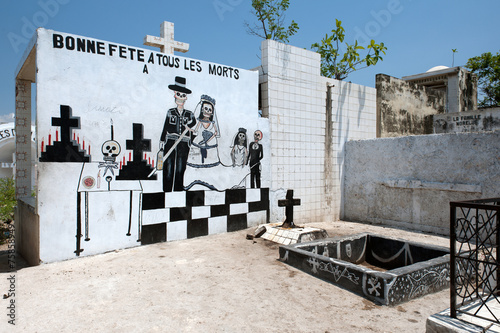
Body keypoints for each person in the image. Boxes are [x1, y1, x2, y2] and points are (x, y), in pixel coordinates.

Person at [159, 76, 196, 192]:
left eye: (183, 96)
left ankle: (178, 190)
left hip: (183, 143)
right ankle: (167, 190)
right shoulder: (170, 112)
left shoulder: (189, 114)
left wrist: (189, 126)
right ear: (175, 95)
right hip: (170, 141)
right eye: (179, 95)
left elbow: (194, 122)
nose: (181, 98)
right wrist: (162, 141)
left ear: (186, 98)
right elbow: (165, 127)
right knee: (169, 166)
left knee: (181, 167)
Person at [187, 95, 220, 168]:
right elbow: (195, 130)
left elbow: (216, 132)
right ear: (202, 109)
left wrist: (209, 140)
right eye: (206, 109)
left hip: (210, 142)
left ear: (212, 112)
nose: (207, 111)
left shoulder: (212, 123)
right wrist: (188, 128)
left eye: (209, 110)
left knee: (210, 160)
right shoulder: (199, 121)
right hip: (199, 141)